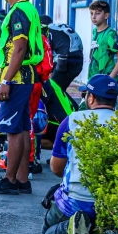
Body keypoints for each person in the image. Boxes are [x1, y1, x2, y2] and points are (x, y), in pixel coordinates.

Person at [42, 74, 118, 234]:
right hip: (112, 204)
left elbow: (56, 168)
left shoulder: (72, 120)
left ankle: (71, 227)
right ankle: (93, 231)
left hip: (75, 200)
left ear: (91, 98)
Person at [0, 0, 43, 195]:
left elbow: (19, 49)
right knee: (22, 128)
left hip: (16, 78)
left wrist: (6, 81)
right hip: (25, 76)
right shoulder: (29, 8)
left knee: (13, 130)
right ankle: (22, 180)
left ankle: (10, 180)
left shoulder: (18, 11)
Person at [39, 15, 81, 143]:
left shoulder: (45, 30)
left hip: (65, 60)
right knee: (59, 91)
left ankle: (58, 123)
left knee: (53, 90)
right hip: (77, 59)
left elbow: (45, 51)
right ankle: (69, 114)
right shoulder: (58, 27)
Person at [87, 0, 118, 81]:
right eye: (91, 13)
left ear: (106, 15)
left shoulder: (110, 34)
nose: (93, 17)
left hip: (105, 81)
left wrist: (110, 78)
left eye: (97, 13)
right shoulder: (95, 31)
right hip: (93, 79)